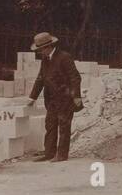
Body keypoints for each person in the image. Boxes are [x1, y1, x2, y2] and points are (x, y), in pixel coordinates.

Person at [26, 32, 83, 162]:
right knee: (50, 125)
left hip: (65, 98)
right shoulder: (45, 60)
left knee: (63, 127)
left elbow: (75, 77)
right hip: (51, 100)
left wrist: (76, 96)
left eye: (40, 50)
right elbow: (40, 79)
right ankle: (49, 153)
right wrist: (32, 97)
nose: (40, 52)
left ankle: (62, 155)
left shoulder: (64, 57)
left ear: (48, 47)